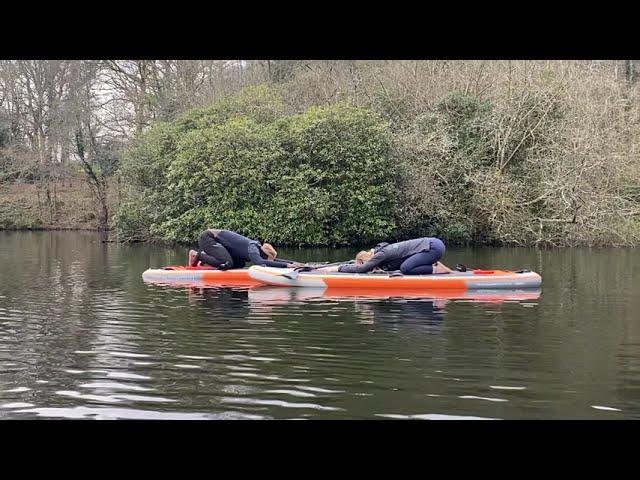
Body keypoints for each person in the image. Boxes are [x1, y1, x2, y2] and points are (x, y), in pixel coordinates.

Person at [318, 237, 453, 275]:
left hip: (432, 247)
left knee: (405, 269)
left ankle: (436, 268)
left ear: (364, 260)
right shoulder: (381, 253)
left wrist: (337, 269)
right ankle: (434, 264)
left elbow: (361, 269)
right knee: (405, 266)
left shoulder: (380, 254)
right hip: (432, 245)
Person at [188, 229, 302, 269]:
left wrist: (293, 263)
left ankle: (207, 255)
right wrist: (287, 266)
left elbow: (271, 261)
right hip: (209, 238)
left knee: (239, 264)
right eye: (268, 258)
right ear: (263, 253)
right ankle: (197, 255)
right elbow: (260, 262)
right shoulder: (253, 248)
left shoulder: (258, 249)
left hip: (218, 244)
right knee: (227, 263)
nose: (269, 260)